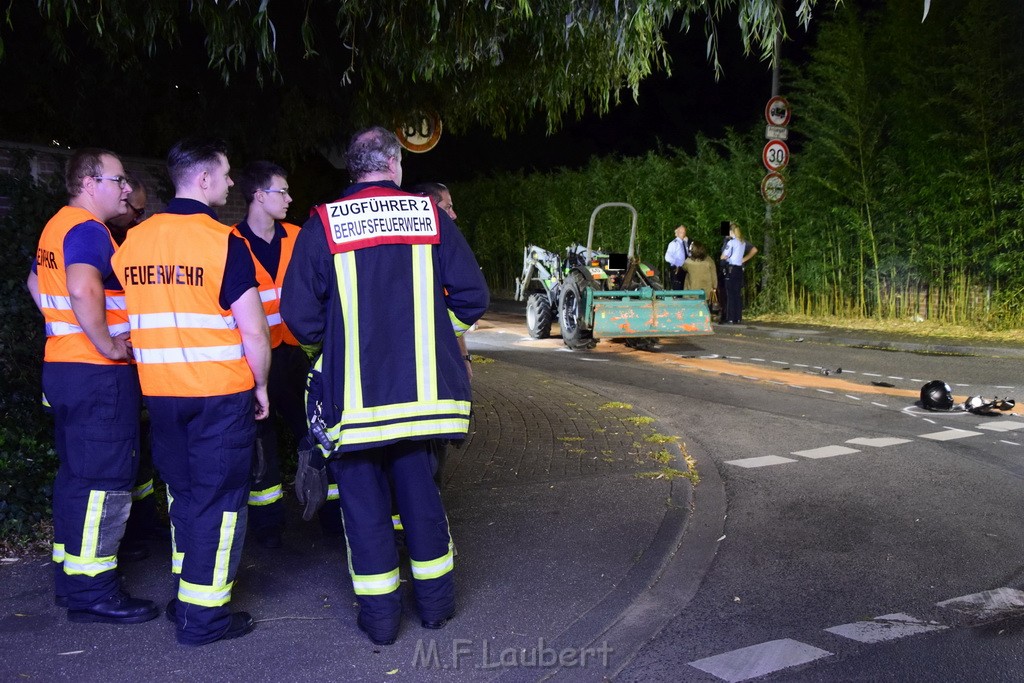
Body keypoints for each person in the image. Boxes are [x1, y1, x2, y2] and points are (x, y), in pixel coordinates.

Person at [280, 126, 489, 646]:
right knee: (422, 500)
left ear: (352, 168)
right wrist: (441, 335)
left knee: (364, 509)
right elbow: (472, 296)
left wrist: (328, 352)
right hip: (422, 403)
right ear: (395, 165)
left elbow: (298, 315)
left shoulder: (322, 225)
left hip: (354, 401)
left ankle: (380, 624)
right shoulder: (430, 217)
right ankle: (437, 611)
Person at [111, 137, 272, 646]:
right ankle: (204, 618)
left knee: (183, 495)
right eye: (225, 175)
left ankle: (186, 593)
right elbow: (253, 330)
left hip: (161, 393)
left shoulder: (133, 240)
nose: (230, 183)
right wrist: (262, 382)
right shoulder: (223, 241)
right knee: (221, 501)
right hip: (220, 394)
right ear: (202, 179)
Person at [25, 148, 159, 625]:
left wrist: (71, 329)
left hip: (64, 367)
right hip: (98, 374)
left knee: (77, 477)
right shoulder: (88, 230)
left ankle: (72, 576)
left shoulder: (56, 225)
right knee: (104, 483)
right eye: (117, 180)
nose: (126, 189)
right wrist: (105, 341)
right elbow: (82, 288)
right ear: (88, 182)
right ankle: (94, 592)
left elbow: (36, 284)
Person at [232, 161, 341, 546]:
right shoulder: (229, 242)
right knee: (261, 446)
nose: (290, 198)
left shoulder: (300, 236)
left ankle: (332, 517)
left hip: (300, 355)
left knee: (319, 436)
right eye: (282, 191)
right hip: (255, 359)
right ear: (259, 196)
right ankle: (268, 530)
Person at [106, 177, 165, 561]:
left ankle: (142, 523)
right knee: (119, 456)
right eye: (136, 210)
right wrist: (107, 340)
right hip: (113, 362)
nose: (138, 216)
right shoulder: (99, 238)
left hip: (135, 362)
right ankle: (125, 536)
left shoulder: (127, 240)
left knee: (137, 449)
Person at [720, 222, 758, 324]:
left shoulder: (731, 242)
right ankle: (738, 317)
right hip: (739, 269)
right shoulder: (742, 242)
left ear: (731, 231)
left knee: (730, 294)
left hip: (731, 269)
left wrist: (725, 257)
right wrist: (742, 260)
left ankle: (731, 318)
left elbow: (723, 256)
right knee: (737, 294)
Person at [681, 241, 718, 310]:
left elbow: (683, 268)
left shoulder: (688, 262)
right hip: (706, 291)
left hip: (691, 291)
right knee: (704, 309)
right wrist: (714, 287)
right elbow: (713, 274)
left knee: (691, 310)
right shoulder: (709, 260)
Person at [664, 225, 690, 290]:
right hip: (677, 270)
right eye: (681, 232)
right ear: (677, 233)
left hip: (685, 269)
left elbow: (688, 254)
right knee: (678, 289)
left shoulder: (685, 243)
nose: (683, 233)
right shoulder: (674, 243)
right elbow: (667, 257)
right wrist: (678, 264)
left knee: (685, 289)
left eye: (684, 232)